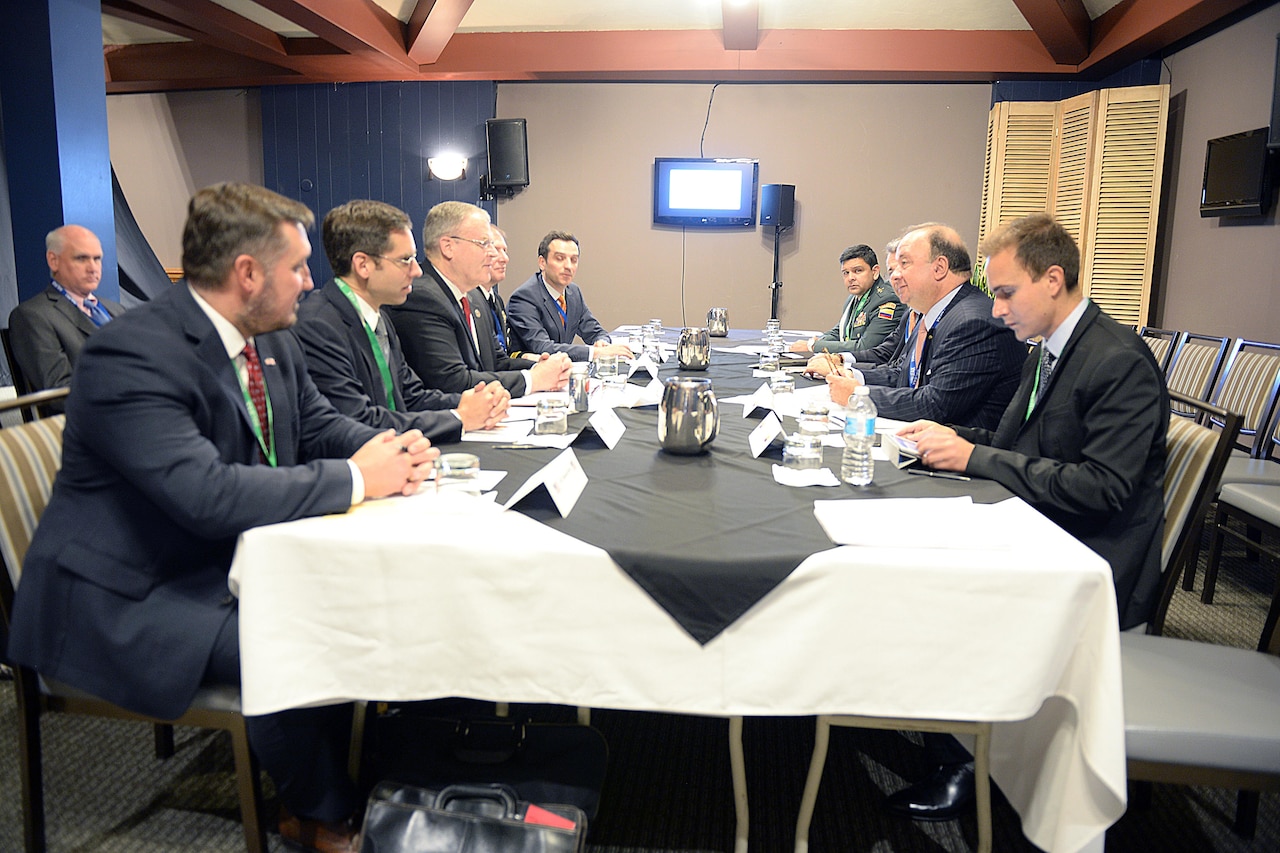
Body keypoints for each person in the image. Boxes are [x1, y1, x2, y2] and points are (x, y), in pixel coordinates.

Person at [5, 183, 439, 853]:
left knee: (364, 606)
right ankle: (324, 816)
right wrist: (357, 477)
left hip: (223, 557)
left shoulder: (270, 335)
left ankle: (371, 777)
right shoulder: (132, 352)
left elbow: (319, 423)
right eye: (296, 267)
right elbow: (203, 495)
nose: (308, 281)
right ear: (247, 274)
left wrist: (392, 451)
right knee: (293, 635)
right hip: (129, 592)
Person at [886, 213, 1169, 823]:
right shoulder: (1049, 349)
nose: (996, 310)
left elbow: (1105, 489)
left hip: (1093, 559)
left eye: (1007, 293)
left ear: (1053, 280)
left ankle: (964, 757)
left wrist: (974, 456)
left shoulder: (1116, 360)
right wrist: (950, 436)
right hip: (1045, 524)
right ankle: (943, 727)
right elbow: (1013, 442)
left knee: (934, 579)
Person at [293, 199, 509, 438]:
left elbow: (410, 396)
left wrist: (470, 403)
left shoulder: (378, 316)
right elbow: (358, 419)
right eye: (405, 259)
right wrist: (459, 418)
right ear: (363, 265)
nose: (416, 270)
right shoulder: (319, 325)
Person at [825, 224, 1024, 431]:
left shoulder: (972, 321)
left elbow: (935, 404)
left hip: (959, 452)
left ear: (939, 268)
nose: (894, 276)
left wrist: (857, 395)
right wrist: (852, 376)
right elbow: (904, 375)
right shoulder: (933, 313)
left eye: (904, 264)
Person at [388, 203, 571, 397]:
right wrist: (533, 379)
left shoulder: (474, 297)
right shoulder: (422, 298)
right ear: (448, 247)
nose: (493, 253)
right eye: (484, 243)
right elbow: (453, 381)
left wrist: (541, 366)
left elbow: (496, 362)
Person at [8, 224, 125, 407]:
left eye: (97, 259)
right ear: (53, 260)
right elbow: (59, 391)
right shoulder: (33, 316)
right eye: (82, 258)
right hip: (94, 422)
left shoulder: (117, 310)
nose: (93, 268)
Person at [506, 231, 633, 362]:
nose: (568, 266)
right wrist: (594, 353)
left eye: (574, 260)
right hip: (533, 373)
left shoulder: (573, 292)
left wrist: (602, 342)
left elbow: (594, 330)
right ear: (542, 262)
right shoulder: (524, 298)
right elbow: (543, 347)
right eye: (560, 258)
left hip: (562, 371)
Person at [790, 244, 904, 355]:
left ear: (875, 272)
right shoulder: (853, 299)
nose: (851, 278)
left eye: (858, 271)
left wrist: (815, 347)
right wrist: (816, 341)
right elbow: (839, 331)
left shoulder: (887, 300)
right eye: (846, 273)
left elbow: (866, 347)